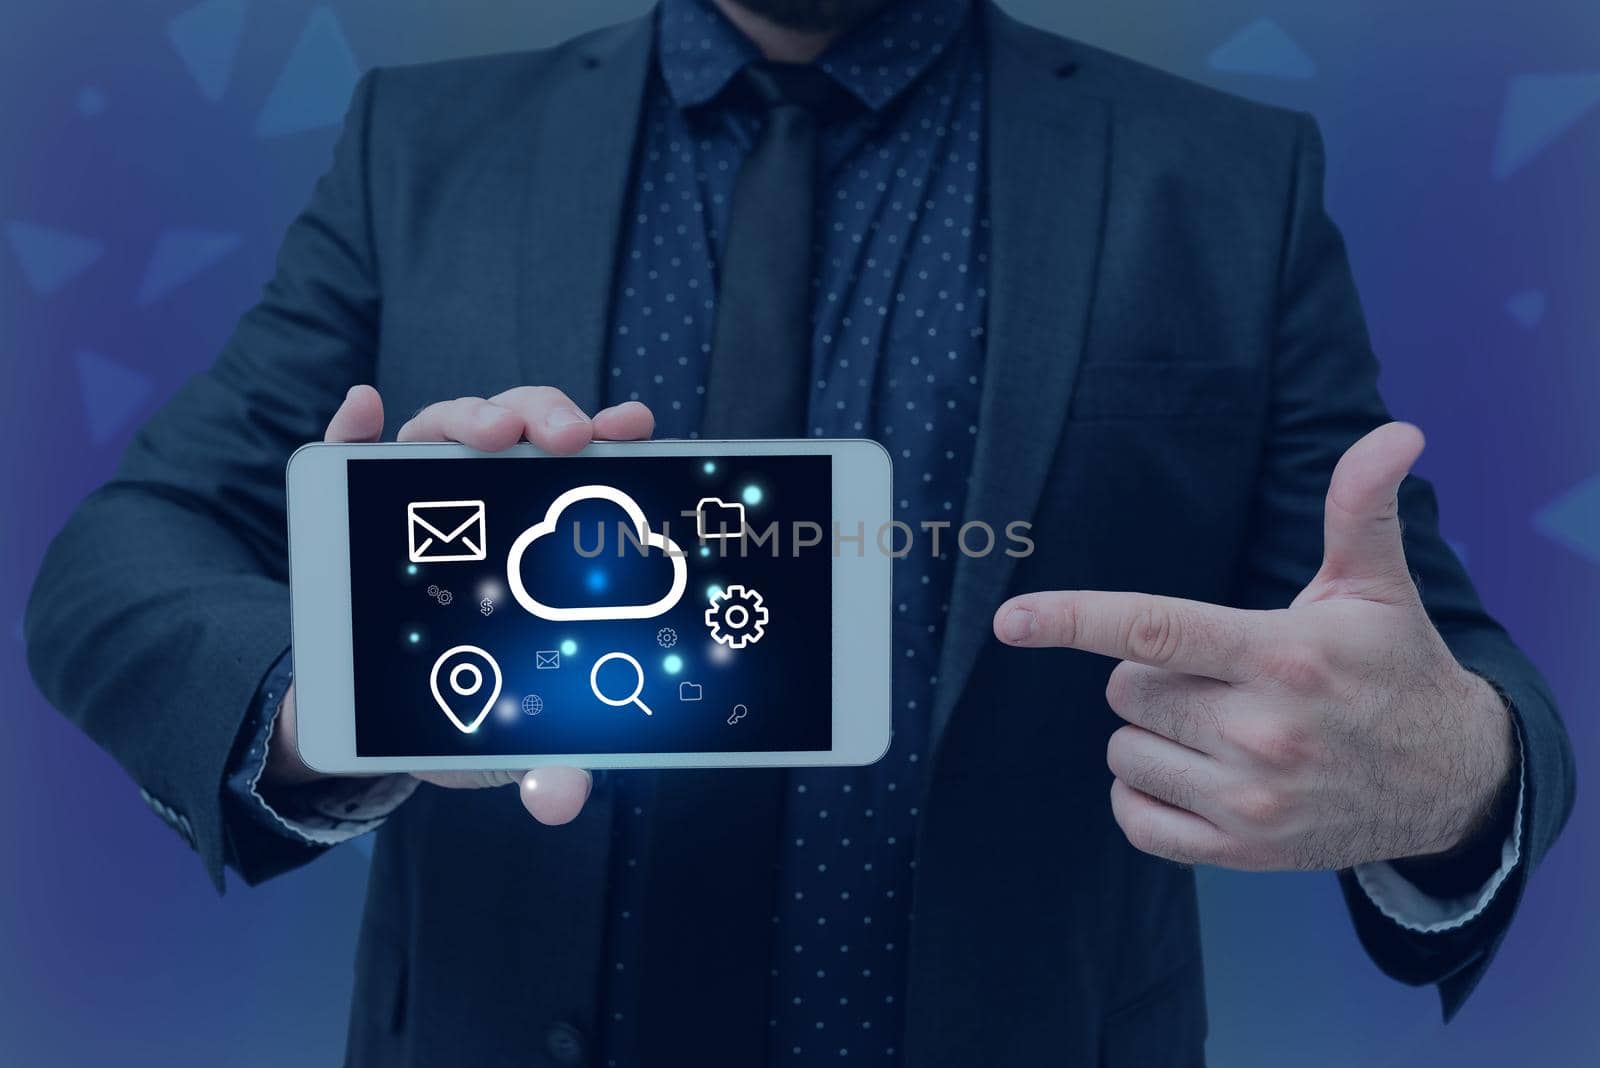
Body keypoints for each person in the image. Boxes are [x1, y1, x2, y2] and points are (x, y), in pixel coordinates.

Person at [25, 1, 1574, 1065]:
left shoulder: (1227, 185)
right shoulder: (420, 148)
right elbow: (121, 557)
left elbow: (1418, 654)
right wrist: (347, 691)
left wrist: (1455, 773)